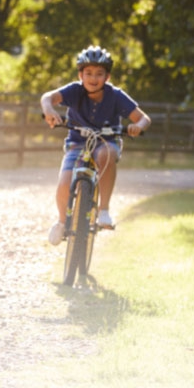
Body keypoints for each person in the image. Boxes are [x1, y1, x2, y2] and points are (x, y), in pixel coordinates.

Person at [41, 45, 151, 246]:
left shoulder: (116, 95)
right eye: (88, 73)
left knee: (106, 153)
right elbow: (47, 97)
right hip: (77, 143)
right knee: (65, 182)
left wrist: (137, 126)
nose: (93, 78)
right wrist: (49, 110)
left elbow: (144, 118)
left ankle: (104, 210)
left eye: (99, 74)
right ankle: (62, 222)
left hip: (106, 141)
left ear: (107, 77)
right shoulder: (74, 91)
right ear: (80, 75)